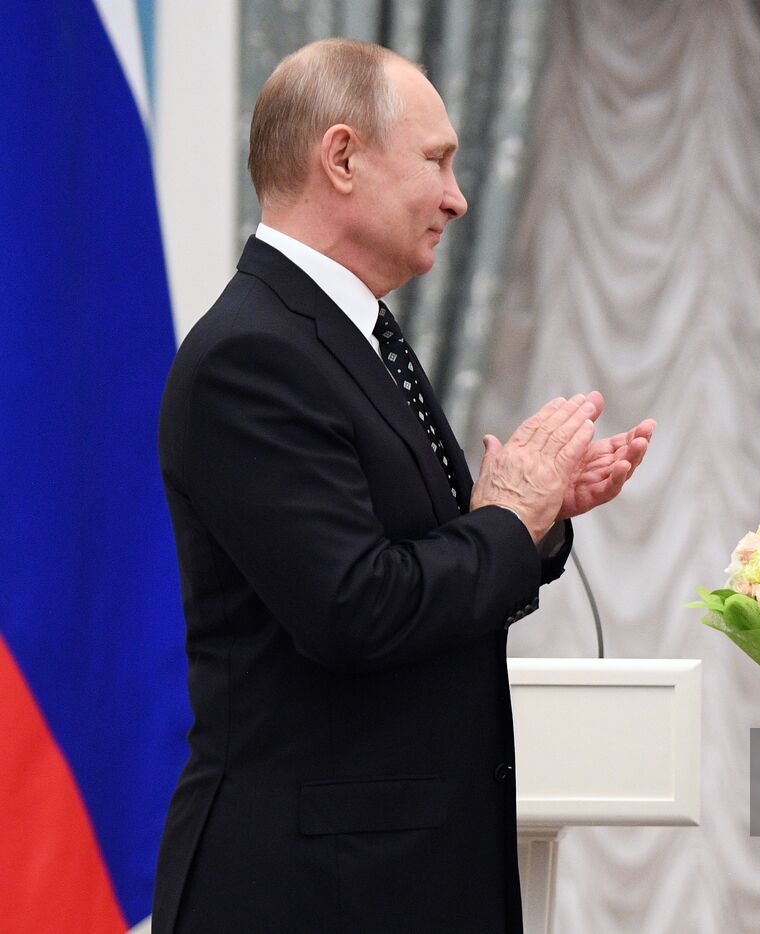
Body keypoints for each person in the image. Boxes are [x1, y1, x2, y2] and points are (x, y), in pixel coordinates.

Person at [152, 39, 653, 934]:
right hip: (316, 890)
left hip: (391, 873)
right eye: (437, 161)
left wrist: (534, 520)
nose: (459, 197)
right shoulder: (252, 355)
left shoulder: (350, 334)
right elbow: (356, 607)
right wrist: (507, 517)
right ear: (341, 158)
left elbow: (408, 556)